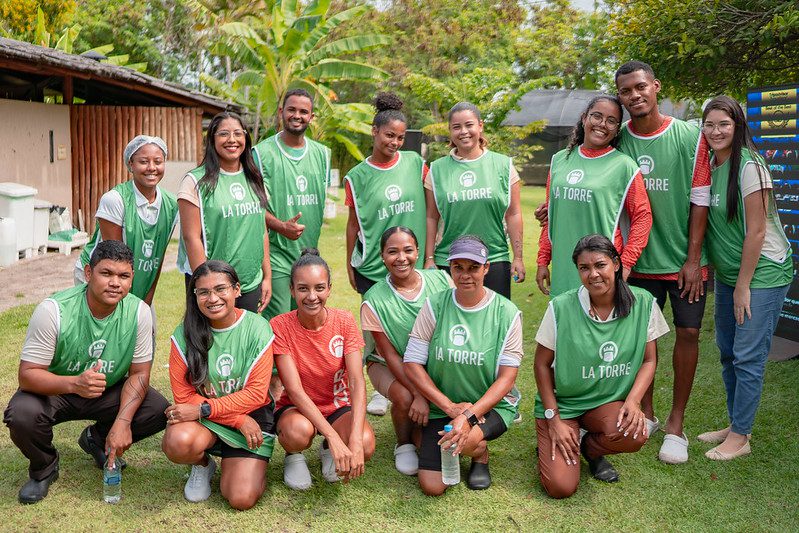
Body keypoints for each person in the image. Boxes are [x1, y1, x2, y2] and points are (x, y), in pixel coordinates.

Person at [535, 61, 712, 464]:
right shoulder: (571, 156)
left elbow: (678, 204)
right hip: (594, 271)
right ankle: (583, 416)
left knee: (677, 335)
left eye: (640, 88)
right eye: (624, 92)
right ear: (585, 117)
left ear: (655, 86)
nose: (633, 96)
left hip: (651, 265)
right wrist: (544, 255)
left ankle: (670, 426)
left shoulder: (678, 139)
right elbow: (555, 211)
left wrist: (633, 262)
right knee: (588, 345)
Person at [4, 240, 169, 504]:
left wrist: (122, 422)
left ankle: (97, 440)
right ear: (89, 273)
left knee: (157, 408)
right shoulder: (53, 310)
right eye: (106, 273)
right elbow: (28, 375)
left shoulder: (139, 312)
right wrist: (74, 384)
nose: (115, 283)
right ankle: (44, 467)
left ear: (131, 279)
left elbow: (139, 374)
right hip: (56, 389)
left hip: (106, 390)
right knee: (22, 414)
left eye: (124, 276)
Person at [534, 234, 667, 498]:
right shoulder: (561, 307)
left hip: (606, 404)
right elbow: (540, 365)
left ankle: (590, 448)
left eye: (600, 265)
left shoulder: (643, 303)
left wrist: (634, 401)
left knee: (635, 433)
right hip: (564, 405)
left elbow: (649, 360)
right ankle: (554, 438)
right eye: (584, 268)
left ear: (616, 264)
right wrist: (554, 418)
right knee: (561, 487)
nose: (593, 274)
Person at [698, 96, 793, 460]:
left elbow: (756, 232)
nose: (716, 131)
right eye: (709, 125)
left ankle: (741, 438)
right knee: (727, 351)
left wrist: (742, 287)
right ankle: (737, 423)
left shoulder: (751, 166)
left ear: (737, 126)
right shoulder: (710, 164)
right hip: (729, 274)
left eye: (724, 124)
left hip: (762, 273)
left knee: (748, 356)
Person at [404, 235, 522, 495]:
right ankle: (461, 444)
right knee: (432, 486)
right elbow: (412, 362)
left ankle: (479, 453)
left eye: (473, 267)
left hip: (490, 407)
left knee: (466, 441)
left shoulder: (507, 312)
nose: (465, 275)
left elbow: (507, 379)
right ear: (450, 268)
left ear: (486, 268)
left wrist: (468, 416)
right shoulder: (435, 305)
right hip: (443, 406)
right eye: (458, 267)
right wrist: (449, 407)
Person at [162, 260, 275, 509]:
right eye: (203, 292)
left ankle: (244, 467)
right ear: (195, 296)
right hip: (212, 419)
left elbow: (256, 395)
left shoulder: (257, 328)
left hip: (251, 416)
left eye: (221, 289)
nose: (213, 299)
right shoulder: (184, 334)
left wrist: (208, 410)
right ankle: (203, 465)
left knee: (241, 498)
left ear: (237, 289)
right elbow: (184, 397)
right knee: (178, 441)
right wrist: (236, 420)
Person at [271, 249, 375, 490]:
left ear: (329, 289)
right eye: (303, 288)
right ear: (292, 290)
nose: (312, 296)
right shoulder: (280, 325)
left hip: (336, 406)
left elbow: (356, 381)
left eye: (319, 288)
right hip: (297, 408)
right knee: (297, 432)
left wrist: (354, 439)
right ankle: (294, 455)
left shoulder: (344, 320)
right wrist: (334, 436)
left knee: (366, 443)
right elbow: (294, 390)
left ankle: (328, 449)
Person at [536, 95, 652, 297]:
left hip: (601, 271)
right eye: (597, 116)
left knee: (599, 317)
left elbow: (643, 217)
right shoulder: (559, 160)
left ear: (617, 129)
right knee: (564, 315)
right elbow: (551, 216)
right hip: (564, 267)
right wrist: (543, 260)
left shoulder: (624, 166)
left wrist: (625, 263)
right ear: (584, 118)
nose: (602, 124)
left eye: (611, 121)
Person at [360, 226, 452, 475]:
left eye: (408, 250)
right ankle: (403, 444)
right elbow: (389, 355)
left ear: (418, 252)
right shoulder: (373, 299)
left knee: (429, 437)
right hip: (388, 365)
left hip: (432, 363)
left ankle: (422, 429)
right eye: (392, 252)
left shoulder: (441, 280)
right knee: (405, 397)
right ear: (382, 256)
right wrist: (418, 393)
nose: (401, 258)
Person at [424, 102, 525, 299]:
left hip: (494, 259)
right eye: (456, 127)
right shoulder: (436, 170)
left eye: (469, 125)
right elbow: (431, 217)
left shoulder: (503, 165)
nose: (463, 132)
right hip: (449, 260)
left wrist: (518, 257)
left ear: (480, 126)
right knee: (451, 316)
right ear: (450, 131)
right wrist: (429, 258)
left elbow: (513, 214)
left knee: (494, 316)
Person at [177, 111, 271, 313]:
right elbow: (191, 238)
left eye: (238, 133)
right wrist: (207, 287)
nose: (232, 139)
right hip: (213, 287)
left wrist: (267, 277)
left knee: (245, 332)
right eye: (223, 134)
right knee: (207, 334)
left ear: (246, 137)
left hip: (249, 282)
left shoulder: (255, 178)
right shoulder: (195, 181)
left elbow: (261, 230)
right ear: (212, 139)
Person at [253, 89, 331, 319]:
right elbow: (252, 208)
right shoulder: (261, 154)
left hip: (309, 255)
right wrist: (280, 226)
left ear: (311, 117)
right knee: (279, 320)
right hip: (276, 254)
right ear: (281, 112)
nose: (297, 115)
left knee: (306, 320)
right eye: (292, 110)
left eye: (303, 111)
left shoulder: (322, 154)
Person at [75, 135, 178, 310]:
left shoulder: (172, 205)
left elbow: (158, 257)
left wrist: (146, 301)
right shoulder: (115, 200)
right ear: (131, 164)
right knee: (107, 323)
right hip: (104, 276)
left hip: (137, 279)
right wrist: (129, 309)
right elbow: (115, 259)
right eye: (143, 161)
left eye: (158, 161)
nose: (151, 167)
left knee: (145, 323)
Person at [346, 92, 427, 295]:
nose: (395, 142)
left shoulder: (416, 164)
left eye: (400, 137)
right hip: (373, 271)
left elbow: (432, 211)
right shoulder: (356, 177)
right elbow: (353, 224)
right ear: (375, 131)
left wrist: (430, 256)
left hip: (411, 267)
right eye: (389, 135)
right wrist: (349, 264)